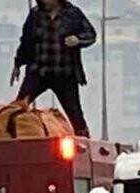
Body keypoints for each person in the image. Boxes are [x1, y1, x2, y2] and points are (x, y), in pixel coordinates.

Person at [11, 0, 97, 138]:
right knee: (19, 106)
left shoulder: (73, 13)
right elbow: (26, 41)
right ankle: (9, 136)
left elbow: (91, 34)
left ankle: (84, 139)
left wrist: (78, 40)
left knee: (74, 112)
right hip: (38, 72)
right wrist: (18, 63)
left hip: (64, 73)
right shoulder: (35, 14)